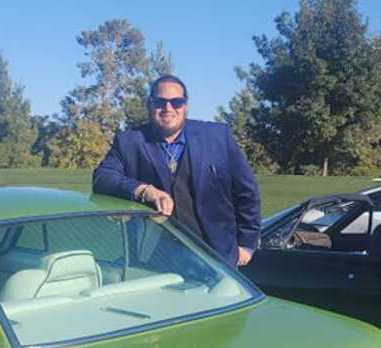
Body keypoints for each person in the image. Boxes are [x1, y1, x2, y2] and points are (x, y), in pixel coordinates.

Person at [92, 74, 261, 267]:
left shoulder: (217, 136)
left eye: (176, 102)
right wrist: (144, 191)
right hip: (157, 259)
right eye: (160, 102)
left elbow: (247, 191)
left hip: (218, 257)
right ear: (150, 104)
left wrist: (246, 244)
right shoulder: (130, 142)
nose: (168, 108)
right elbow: (102, 178)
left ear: (185, 105)